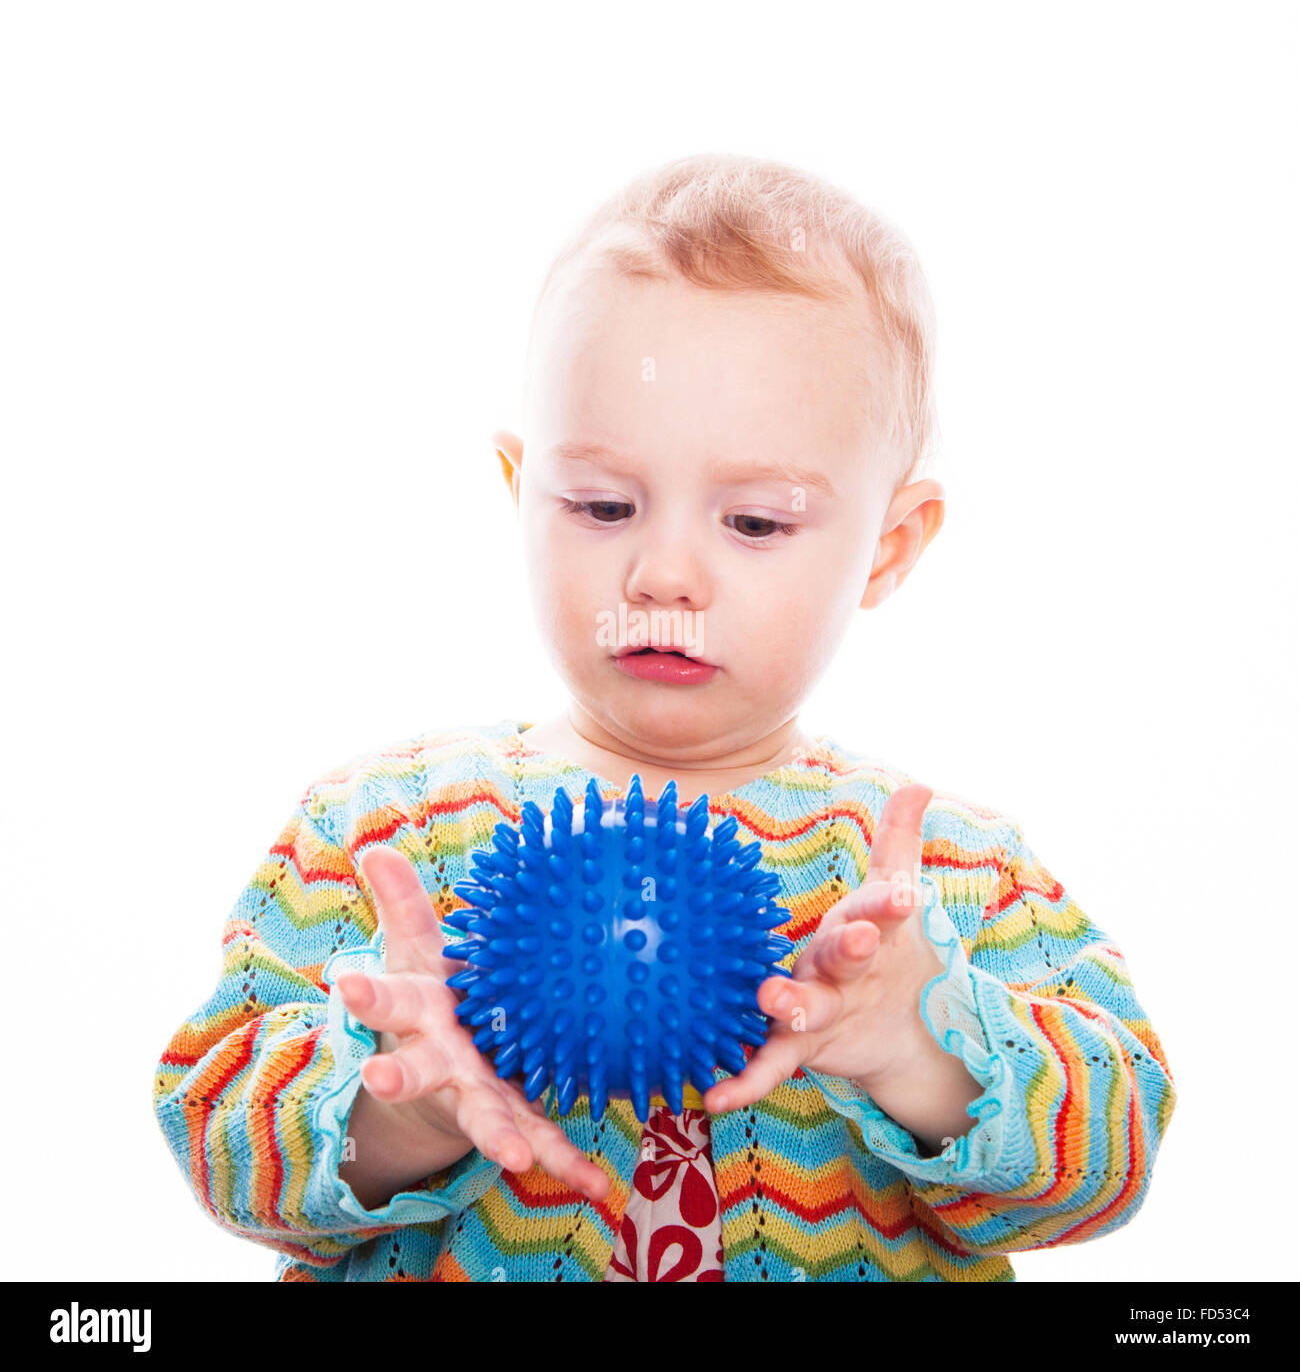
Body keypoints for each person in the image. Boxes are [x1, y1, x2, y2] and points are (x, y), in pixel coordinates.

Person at [153, 153, 1177, 1281]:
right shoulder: (387, 831)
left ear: (886, 547)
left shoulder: (941, 876)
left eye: (753, 521)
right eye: (601, 504)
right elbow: (212, 1130)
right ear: (520, 490)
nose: (665, 571)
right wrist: (406, 1109)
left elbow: (1117, 1156)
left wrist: (923, 1042)